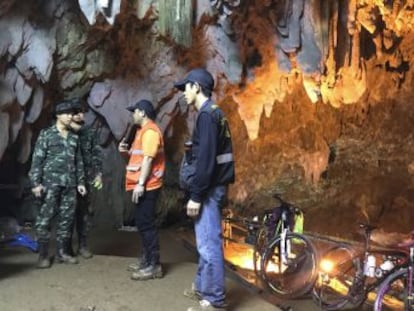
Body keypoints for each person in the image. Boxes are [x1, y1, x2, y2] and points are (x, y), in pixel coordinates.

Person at [174, 68, 235, 311]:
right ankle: (202, 286)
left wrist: (196, 196)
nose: (184, 93)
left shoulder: (207, 116)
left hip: (209, 190)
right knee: (205, 242)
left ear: (196, 87)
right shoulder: (214, 114)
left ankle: (215, 300)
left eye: (185, 88)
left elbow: (207, 159)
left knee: (209, 244)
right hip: (213, 186)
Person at [29, 100, 87, 268]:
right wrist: (35, 183)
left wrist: (81, 182)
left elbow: (79, 161)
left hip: (69, 185)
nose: (71, 116)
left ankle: (63, 253)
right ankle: (43, 255)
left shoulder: (74, 137)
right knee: (45, 219)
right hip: (49, 184)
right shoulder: (46, 135)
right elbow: (37, 160)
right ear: (58, 116)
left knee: (66, 220)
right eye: (67, 113)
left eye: (71, 113)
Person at [118, 99, 165, 281]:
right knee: (143, 224)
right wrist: (125, 153)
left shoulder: (151, 131)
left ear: (142, 113)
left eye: (134, 112)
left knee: (147, 225)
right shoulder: (141, 132)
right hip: (143, 184)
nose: (133, 115)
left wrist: (140, 184)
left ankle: (154, 265)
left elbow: (147, 160)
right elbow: (137, 159)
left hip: (148, 186)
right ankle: (146, 261)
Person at [69, 98, 103, 259]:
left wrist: (98, 173)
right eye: (77, 112)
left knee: (83, 213)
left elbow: (96, 154)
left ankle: (82, 245)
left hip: (86, 179)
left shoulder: (88, 132)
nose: (80, 115)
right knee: (66, 213)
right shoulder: (63, 131)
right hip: (67, 178)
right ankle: (66, 247)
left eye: (82, 112)